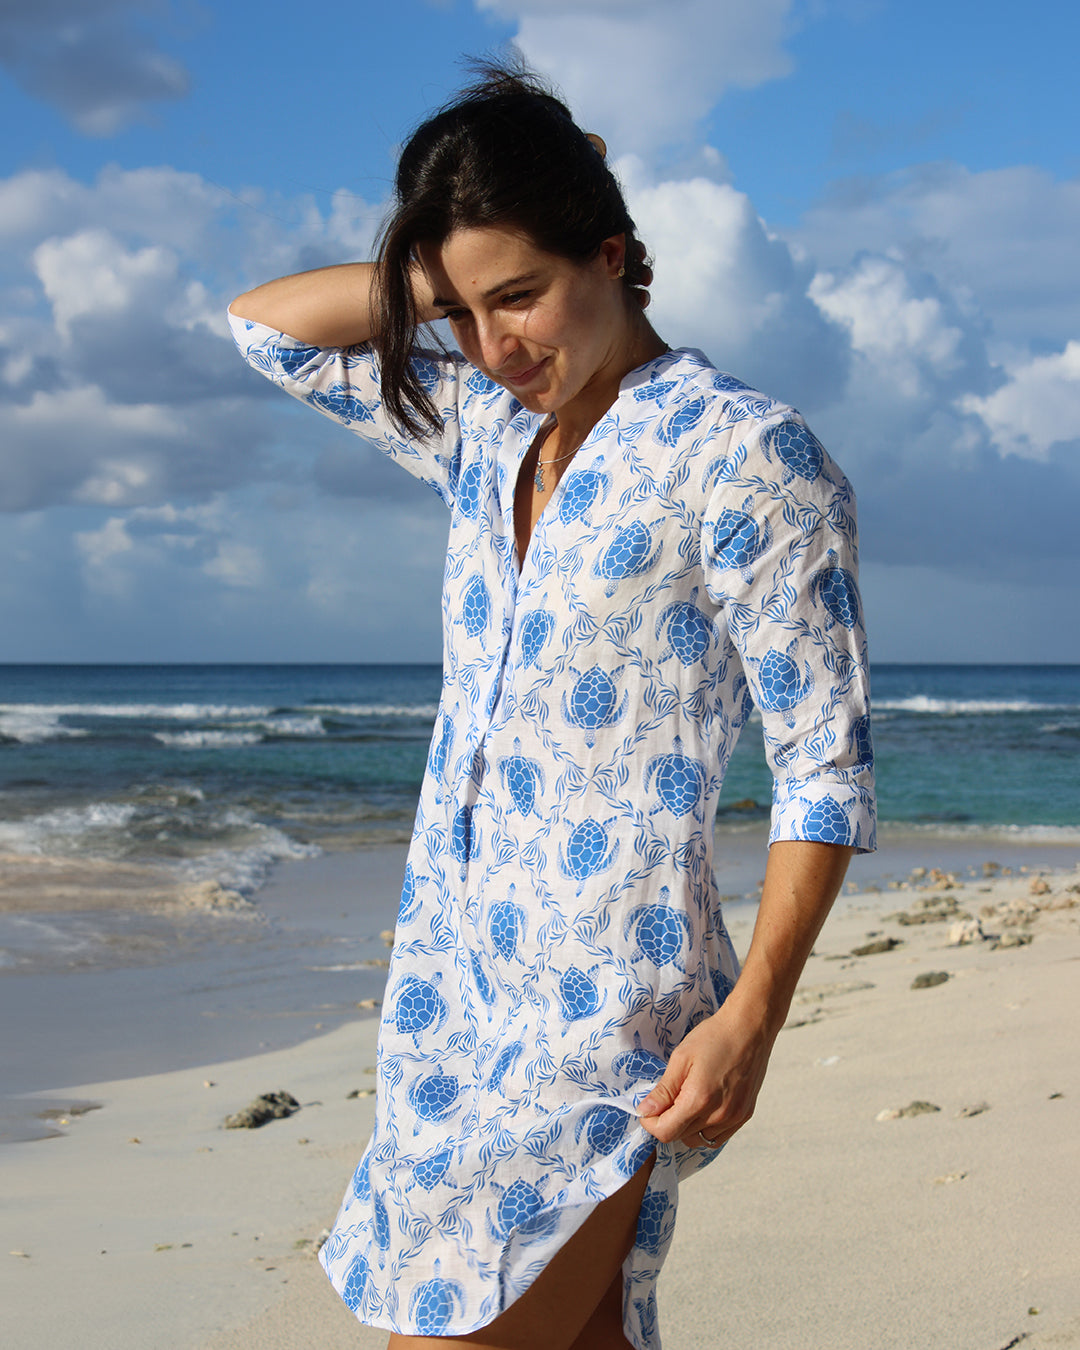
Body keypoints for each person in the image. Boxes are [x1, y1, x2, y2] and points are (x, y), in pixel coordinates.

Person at [229, 61, 875, 1350]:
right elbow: (265, 326)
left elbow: (824, 764)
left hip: (606, 1001)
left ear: (615, 255)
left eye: (521, 294)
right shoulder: (475, 423)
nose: (495, 344)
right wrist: (438, 265)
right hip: (446, 994)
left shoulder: (744, 450)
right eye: (462, 314)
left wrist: (753, 1013)